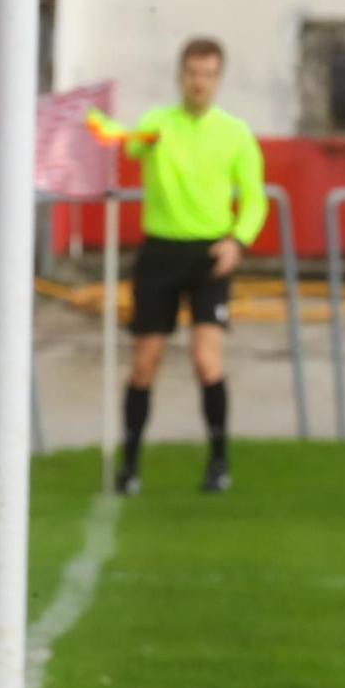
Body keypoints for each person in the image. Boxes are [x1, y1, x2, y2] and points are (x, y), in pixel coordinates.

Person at [93, 38, 266, 495]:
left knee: (206, 361)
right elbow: (124, 142)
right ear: (180, 75)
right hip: (160, 255)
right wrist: (91, 120)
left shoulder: (235, 134)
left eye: (208, 74)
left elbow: (254, 197)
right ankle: (129, 466)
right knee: (144, 363)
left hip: (209, 257)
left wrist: (238, 241)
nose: (199, 82)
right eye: (192, 72)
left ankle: (219, 462)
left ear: (218, 79)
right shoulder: (158, 125)